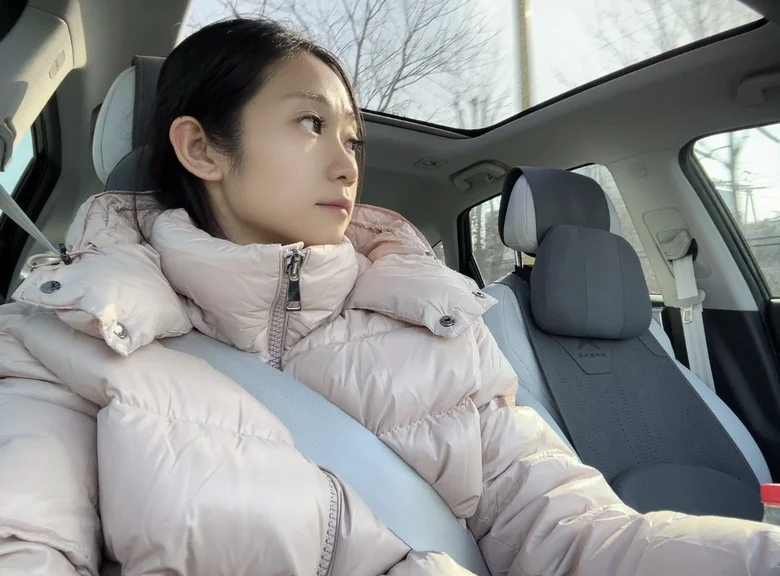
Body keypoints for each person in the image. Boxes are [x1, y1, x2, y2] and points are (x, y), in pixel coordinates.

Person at [0, 17, 778, 576]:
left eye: (352, 139)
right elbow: (26, 547)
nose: (346, 164)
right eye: (311, 123)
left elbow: (576, 539)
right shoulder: (60, 339)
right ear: (202, 147)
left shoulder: (443, 332)